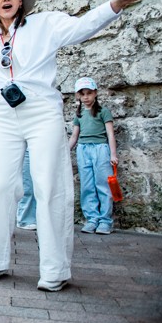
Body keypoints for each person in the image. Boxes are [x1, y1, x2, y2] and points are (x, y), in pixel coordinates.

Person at [0, 0, 160, 292]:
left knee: (49, 184)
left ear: (21, 0)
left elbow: (83, 27)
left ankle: (54, 269)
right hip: (3, 113)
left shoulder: (45, 24)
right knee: (0, 185)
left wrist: (118, 3)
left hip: (42, 109)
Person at [69, 77, 118, 235]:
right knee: (87, 185)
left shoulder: (103, 112)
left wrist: (113, 154)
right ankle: (92, 218)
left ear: (95, 93)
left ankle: (105, 220)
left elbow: (110, 134)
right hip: (83, 150)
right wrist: (65, 152)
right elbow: (74, 137)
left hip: (100, 149)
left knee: (103, 184)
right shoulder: (79, 114)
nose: (86, 97)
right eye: (82, 94)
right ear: (78, 96)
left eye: (89, 93)